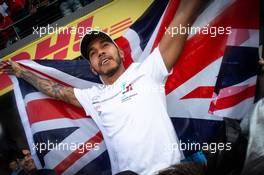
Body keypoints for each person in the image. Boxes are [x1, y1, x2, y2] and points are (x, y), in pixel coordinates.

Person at [0, 1, 207, 174]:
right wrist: (22, 72)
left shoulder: (148, 71)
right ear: (92, 68)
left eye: (104, 45)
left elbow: (183, 17)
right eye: (92, 52)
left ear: (121, 53)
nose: (99, 52)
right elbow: (53, 89)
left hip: (170, 171)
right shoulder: (93, 96)